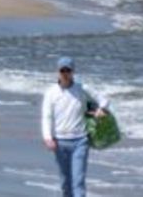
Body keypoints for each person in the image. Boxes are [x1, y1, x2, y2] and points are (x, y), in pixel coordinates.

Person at [41, 57, 108, 197]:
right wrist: (48, 138)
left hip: (80, 141)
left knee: (78, 181)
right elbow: (46, 116)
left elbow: (103, 100)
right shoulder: (51, 93)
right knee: (65, 182)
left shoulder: (82, 89)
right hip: (60, 142)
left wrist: (101, 109)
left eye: (68, 70)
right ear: (57, 72)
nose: (65, 73)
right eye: (62, 70)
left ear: (73, 72)